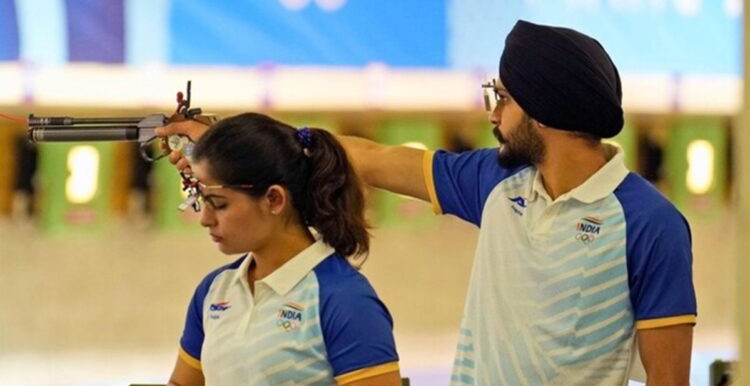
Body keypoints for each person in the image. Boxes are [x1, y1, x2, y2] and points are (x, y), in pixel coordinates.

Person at [158, 20, 696, 385]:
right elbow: (369, 157)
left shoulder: (650, 224)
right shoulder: (496, 183)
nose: (492, 114)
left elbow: (668, 377)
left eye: (502, 98)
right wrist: (227, 138)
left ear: (543, 111)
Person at [164, 113, 401, 385]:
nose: (205, 219)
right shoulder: (214, 289)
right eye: (201, 201)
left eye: (218, 203)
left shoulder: (344, 299)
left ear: (274, 199)